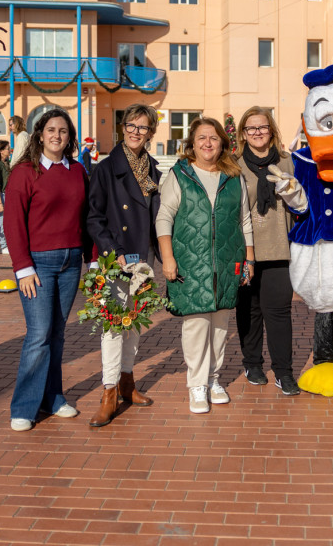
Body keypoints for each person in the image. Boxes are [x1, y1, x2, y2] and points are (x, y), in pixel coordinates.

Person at [157, 117, 254, 414]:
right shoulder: (180, 174)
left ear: (222, 144)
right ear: (192, 144)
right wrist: (168, 257)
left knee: (221, 326)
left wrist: (250, 259)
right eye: (201, 138)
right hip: (190, 261)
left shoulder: (233, 176)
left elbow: (245, 220)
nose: (208, 143)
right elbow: (164, 217)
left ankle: (213, 379)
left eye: (213, 138)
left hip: (228, 261)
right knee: (197, 324)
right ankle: (196, 385)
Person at [3, 107, 91, 431]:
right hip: (38, 265)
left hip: (71, 264)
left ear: (69, 138)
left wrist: (92, 259)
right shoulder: (24, 172)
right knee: (39, 334)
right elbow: (12, 223)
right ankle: (24, 407)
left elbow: (88, 218)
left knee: (57, 334)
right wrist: (23, 268)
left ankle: (53, 398)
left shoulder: (78, 171)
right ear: (40, 134)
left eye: (63, 131)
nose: (57, 136)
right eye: (51, 130)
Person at [86, 104, 163, 426]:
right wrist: (112, 250)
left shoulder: (154, 171)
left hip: (142, 259)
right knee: (112, 328)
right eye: (131, 125)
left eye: (143, 127)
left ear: (150, 133)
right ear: (122, 127)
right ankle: (108, 391)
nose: (136, 131)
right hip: (115, 260)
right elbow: (94, 216)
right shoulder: (106, 169)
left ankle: (127, 383)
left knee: (132, 323)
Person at [234, 106, 299, 395]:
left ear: (271, 130)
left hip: (279, 249)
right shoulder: (233, 165)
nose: (257, 132)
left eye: (262, 127)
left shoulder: (288, 163)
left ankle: (284, 372)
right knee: (249, 310)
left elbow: (302, 204)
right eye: (251, 128)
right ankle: (252, 363)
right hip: (244, 251)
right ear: (243, 134)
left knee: (279, 312)